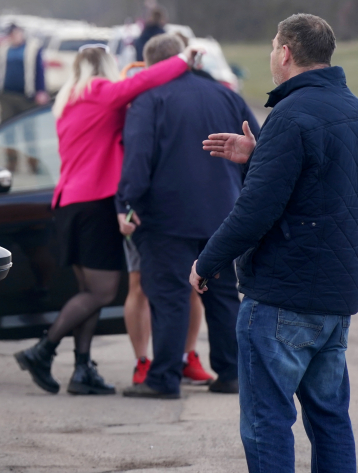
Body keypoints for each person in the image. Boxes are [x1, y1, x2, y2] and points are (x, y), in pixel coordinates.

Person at [194, 14, 358, 472]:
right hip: (334, 299)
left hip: (283, 297)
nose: (271, 55)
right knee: (330, 420)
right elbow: (321, 186)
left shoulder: (290, 114)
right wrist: (260, 153)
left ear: (286, 53)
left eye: (272, 47)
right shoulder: (352, 108)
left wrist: (206, 262)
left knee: (268, 422)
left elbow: (255, 211)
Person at [14, 42, 197, 395]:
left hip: (69, 203)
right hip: (94, 202)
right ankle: (43, 350)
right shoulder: (99, 92)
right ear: (105, 67)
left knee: (88, 291)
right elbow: (140, 83)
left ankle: (82, 370)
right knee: (102, 291)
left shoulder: (67, 102)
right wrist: (182, 59)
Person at [116, 34, 257, 399]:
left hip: (167, 218)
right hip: (224, 216)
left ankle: (163, 378)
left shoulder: (149, 101)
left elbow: (137, 163)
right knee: (224, 295)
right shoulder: (227, 95)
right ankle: (231, 374)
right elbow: (258, 151)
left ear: (152, 67)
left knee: (169, 295)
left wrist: (126, 204)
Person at [123, 235, 211, 387]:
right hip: (147, 220)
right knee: (139, 281)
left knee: (191, 281)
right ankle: (141, 362)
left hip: (189, 220)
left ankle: (186, 358)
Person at [0, 24, 50, 122]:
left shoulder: (32, 48)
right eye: (12, 34)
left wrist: (41, 90)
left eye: (17, 33)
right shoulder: (3, 48)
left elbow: (39, 70)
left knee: (27, 123)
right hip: (6, 94)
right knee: (6, 123)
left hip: (26, 95)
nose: (15, 36)